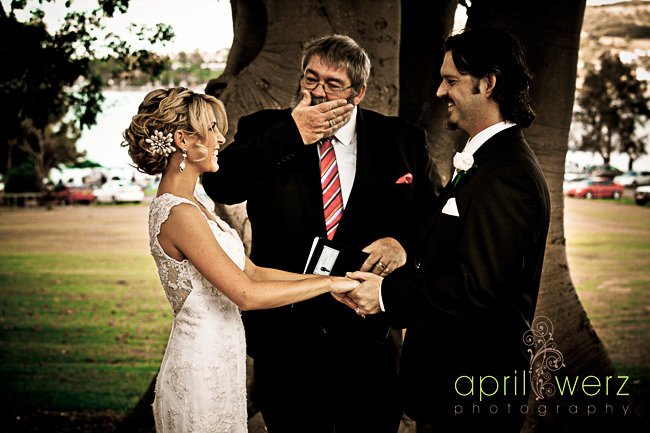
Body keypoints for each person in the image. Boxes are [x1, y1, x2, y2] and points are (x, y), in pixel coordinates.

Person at [201, 35, 438, 433]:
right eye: (311, 79)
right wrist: (292, 132)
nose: (318, 92)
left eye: (333, 84)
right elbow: (222, 184)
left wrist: (403, 245)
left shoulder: (401, 139)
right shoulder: (265, 129)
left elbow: (433, 217)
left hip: (369, 338)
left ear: (358, 93)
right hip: (284, 339)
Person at [345, 27, 551, 433]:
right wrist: (402, 250)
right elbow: (452, 249)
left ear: (488, 84)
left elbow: (476, 288)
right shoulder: (484, 161)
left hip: (473, 396)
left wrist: (385, 295)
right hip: (448, 390)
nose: (441, 92)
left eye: (451, 81)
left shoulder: (508, 176)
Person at [122, 87, 359, 433]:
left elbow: (252, 272)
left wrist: (335, 282)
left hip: (222, 359)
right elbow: (245, 293)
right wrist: (328, 284)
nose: (221, 138)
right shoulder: (178, 213)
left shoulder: (195, 204)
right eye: (211, 129)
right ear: (183, 140)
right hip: (200, 368)